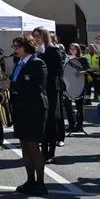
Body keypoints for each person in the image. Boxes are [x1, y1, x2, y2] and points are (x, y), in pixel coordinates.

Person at [9, 35, 49, 195]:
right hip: (21, 108)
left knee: (33, 145)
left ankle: (40, 183)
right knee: (24, 145)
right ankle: (30, 180)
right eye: (14, 46)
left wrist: (13, 85)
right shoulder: (19, 63)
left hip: (34, 109)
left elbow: (37, 87)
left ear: (26, 47)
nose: (15, 50)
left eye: (17, 46)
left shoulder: (38, 63)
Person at [33, 27, 63, 163]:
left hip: (51, 89)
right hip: (39, 89)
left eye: (38, 36)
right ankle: (43, 150)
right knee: (41, 120)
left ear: (44, 36)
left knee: (51, 120)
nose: (36, 38)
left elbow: (57, 71)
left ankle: (51, 152)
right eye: (34, 36)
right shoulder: (36, 51)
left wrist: (41, 56)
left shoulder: (53, 50)